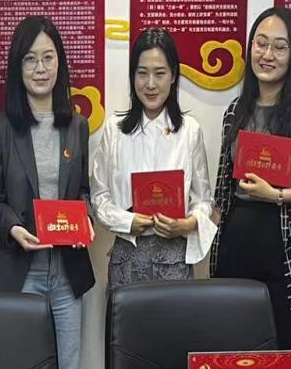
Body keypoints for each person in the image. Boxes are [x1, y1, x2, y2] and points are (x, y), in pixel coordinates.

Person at [0, 16, 95, 369]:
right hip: (21, 272)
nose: (40, 68)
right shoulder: (1, 127)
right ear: (18, 68)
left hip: (66, 274)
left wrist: (85, 219)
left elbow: (82, 191)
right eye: (30, 59)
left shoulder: (77, 126)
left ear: (60, 64)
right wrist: (13, 228)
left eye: (48, 58)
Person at [211, 7, 291, 355]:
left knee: (287, 353)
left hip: (289, 252)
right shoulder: (235, 111)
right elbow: (223, 190)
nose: (267, 55)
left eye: (279, 47)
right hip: (237, 248)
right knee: (237, 352)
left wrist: (277, 194)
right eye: (261, 44)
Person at [90, 28, 215, 286]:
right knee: (123, 315)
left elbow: (203, 200)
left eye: (160, 73)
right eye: (142, 73)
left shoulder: (190, 131)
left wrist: (187, 224)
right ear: (132, 75)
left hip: (174, 260)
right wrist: (127, 221)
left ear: (173, 76)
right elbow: (99, 197)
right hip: (127, 257)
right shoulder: (115, 129)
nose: (150, 84)